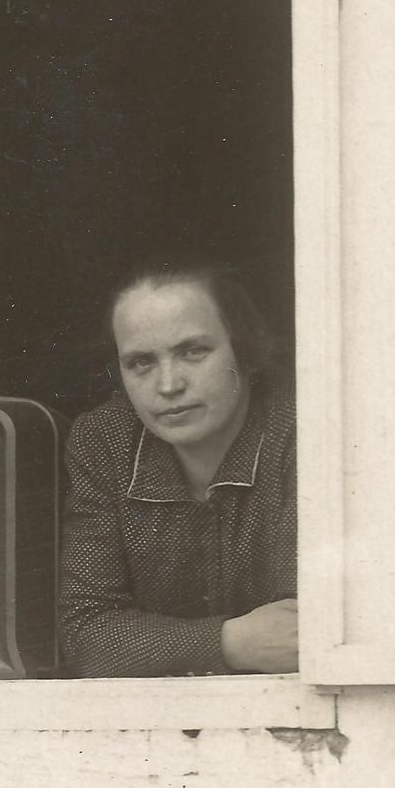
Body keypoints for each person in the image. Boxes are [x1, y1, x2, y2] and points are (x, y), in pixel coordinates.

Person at [58, 260, 297, 678]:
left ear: (244, 349)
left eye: (193, 351)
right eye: (141, 362)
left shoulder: (301, 425)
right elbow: (83, 634)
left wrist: (155, 645)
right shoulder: (106, 441)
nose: (168, 385)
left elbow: (302, 629)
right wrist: (227, 643)